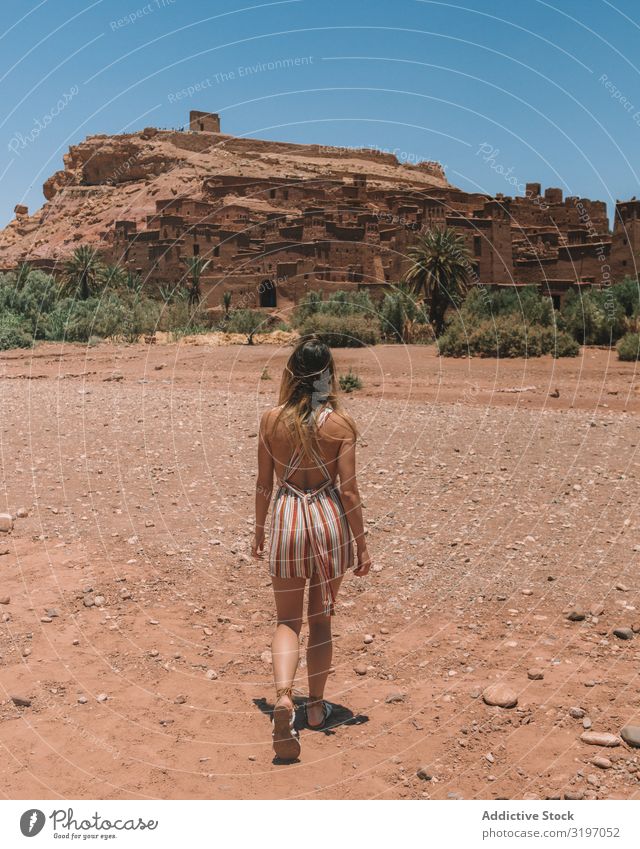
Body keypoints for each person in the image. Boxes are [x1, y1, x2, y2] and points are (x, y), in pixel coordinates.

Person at [252, 335, 372, 760]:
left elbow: (265, 483)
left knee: (287, 621)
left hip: (286, 517)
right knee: (320, 621)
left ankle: (283, 698)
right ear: (328, 375)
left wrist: (259, 530)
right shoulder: (341, 424)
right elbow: (351, 492)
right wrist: (361, 545)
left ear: (290, 371)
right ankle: (317, 708)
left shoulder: (271, 420)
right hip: (326, 520)